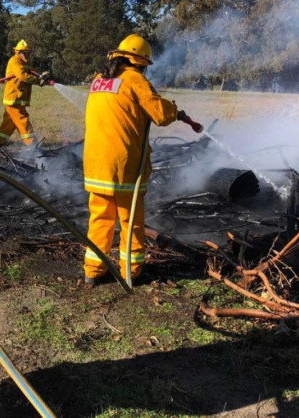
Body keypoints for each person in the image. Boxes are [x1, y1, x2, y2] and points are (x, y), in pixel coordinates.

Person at [83, 34, 185, 286]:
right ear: (139, 62)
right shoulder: (135, 80)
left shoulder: (98, 80)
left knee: (100, 218)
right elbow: (160, 114)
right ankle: (131, 272)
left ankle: (93, 271)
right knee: (130, 221)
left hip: (95, 164)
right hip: (123, 165)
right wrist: (174, 109)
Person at [0, 39, 48, 146]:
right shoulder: (15, 61)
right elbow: (22, 75)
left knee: (9, 123)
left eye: (29, 53)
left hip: (17, 98)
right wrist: (38, 81)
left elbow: (32, 72)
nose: (29, 55)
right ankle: (32, 145)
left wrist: (41, 75)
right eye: (26, 53)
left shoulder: (25, 62)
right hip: (14, 98)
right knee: (23, 121)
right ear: (19, 52)